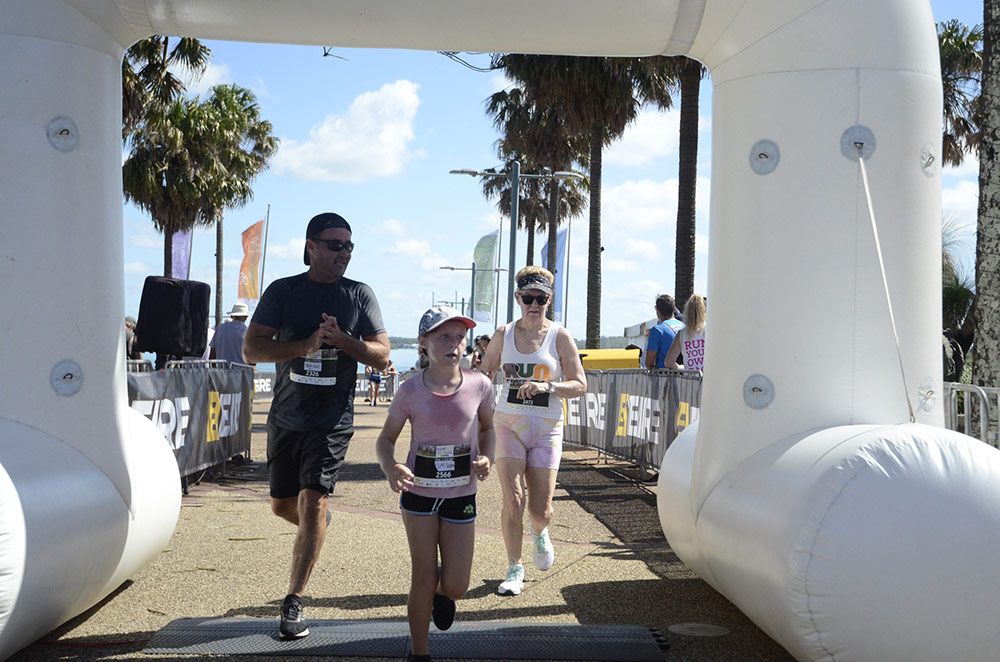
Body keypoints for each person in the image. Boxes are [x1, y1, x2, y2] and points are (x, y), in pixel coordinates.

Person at [242, 212, 390, 640]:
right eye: (335, 245)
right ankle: (317, 526)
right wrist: (305, 345)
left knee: (313, 500)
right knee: (282, 506)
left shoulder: (358, 294)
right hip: (286, 417)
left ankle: (293, 600)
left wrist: (343, 341)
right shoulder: (284, 291)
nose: (344, 253)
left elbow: (382, 355)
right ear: (311, 247)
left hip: (331, 420)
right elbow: (252, 349)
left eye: (349, 246)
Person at [376, 307, 495, 662]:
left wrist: (487, 457)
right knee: (423, 577)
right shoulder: (410, 390)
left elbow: (488, 429)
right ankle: (420, 652)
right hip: (419, 495)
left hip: (461, 494)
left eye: (459, 337)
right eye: (444, 336)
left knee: (457, 585)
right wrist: (390, 467)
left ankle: (443, 595)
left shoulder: (480, 385)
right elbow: (385, 439)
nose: (454, 344)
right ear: (423, 343)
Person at [478, 266, 587, 596]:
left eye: (542, 299)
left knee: (540, 510)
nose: (535, 305)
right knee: (513, 499)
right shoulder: (503, 334)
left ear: (549, 300)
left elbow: (580, 384)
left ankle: (540, 531)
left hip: (545, 430)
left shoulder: (560, 336)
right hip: (508, 425)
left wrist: (547, 386)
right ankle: (514, 567)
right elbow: (484, 374)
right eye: (529, 298)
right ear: (518, 298)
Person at [664, 293, 707, 372]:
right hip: (708, 377)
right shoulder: (709, 331)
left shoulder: (681, 334)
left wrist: (682, 368)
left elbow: (669, 363)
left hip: (689, 377)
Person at [645, 294, 684, 370]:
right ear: (674, 309)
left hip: (663, 374)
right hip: (685, 373)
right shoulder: (684, 327)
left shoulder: (657, 330)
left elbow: (649, 362)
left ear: (657, 310)